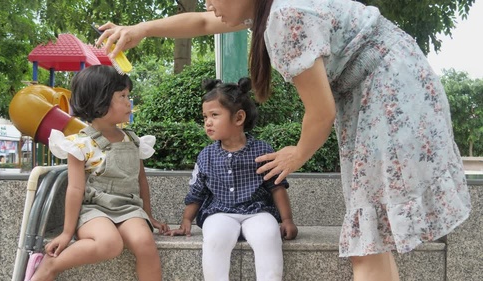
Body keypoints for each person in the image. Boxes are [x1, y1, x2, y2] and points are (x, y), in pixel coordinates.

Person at [97, 1, 472, 280]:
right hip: (385, 84)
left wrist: (296, 155)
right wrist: (142, 28)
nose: (209, 3)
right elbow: (202, 21)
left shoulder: (284, 16)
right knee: (372, 232)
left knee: (368, 237)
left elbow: (320, 112)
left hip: (387, 92)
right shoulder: (265, 7)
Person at [30, 65, 169, 281]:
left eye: (128, 95)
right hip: (93, 210)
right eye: (122, 96)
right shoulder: (81, 144)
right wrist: (67, 232)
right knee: (109, 243)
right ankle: (51, 265)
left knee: (144, 241)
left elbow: (141, 180)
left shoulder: (133, 140)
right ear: (100, 100)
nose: (128, 101)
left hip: (128, 207)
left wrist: (148, 215)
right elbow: (75, 189)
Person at [165, 77, 298, 281]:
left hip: (257, 212)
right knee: (215, 239)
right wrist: (186, 221)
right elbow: (197, 191)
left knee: (269, 235)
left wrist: (287, 220)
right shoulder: (206, 156)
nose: (207, 122)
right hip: (220, 213)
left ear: (238, 118)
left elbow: (276, 187)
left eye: (214, 115)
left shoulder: (262, 150)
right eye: (205, 117)